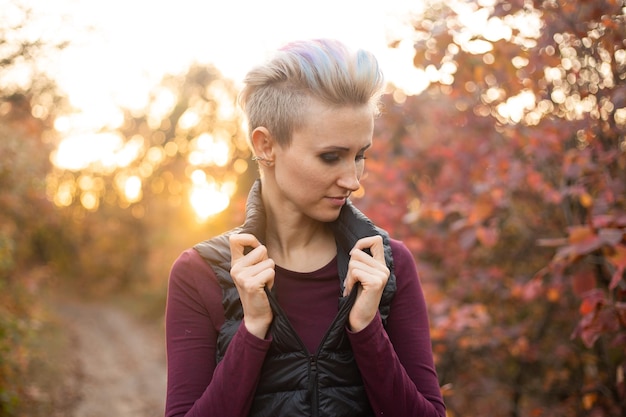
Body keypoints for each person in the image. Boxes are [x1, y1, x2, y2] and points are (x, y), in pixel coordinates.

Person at [164, 38, 446, 417]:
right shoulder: (199, 274)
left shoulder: (389, 267)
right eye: (331, 157)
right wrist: (252, 330)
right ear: (265, 145)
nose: (353, 180)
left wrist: (366, 329)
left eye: (360, 155)